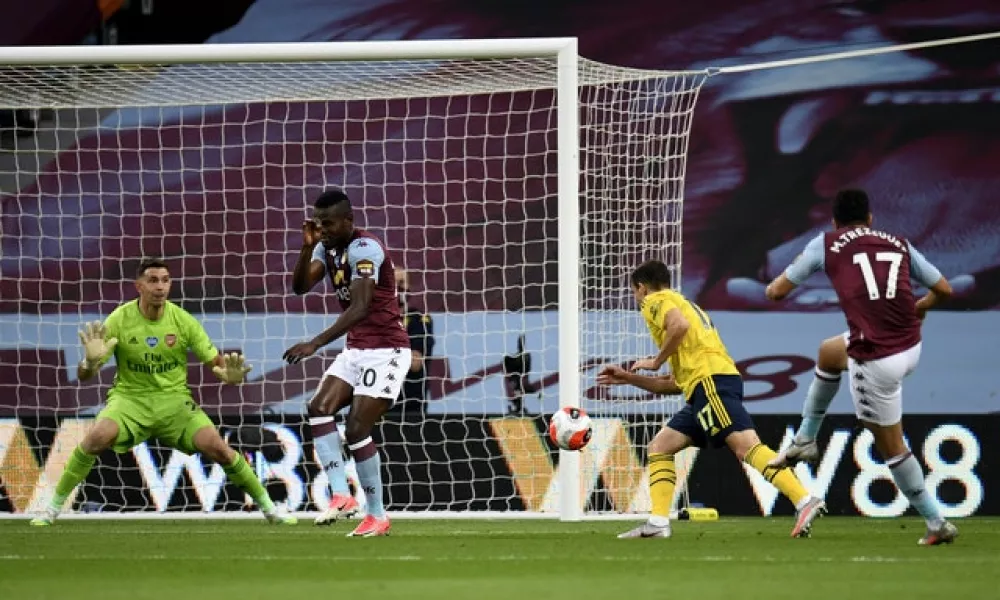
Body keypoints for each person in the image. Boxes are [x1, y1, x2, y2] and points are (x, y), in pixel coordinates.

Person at [30, 258, 294, 526]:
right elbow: (85, 376)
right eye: (153, 280)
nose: (160, 287)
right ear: (139, 286)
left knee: (219, 449)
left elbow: (218, 365)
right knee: (96, 437)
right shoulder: (119, 320)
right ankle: (51, 509)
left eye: (165, 280)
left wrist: (231, 376)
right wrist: (89, 362)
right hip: (130, 400)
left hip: (175, 403)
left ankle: (269, 508)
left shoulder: (182, 321)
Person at [765, 188, 957, 546]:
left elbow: (776, 292)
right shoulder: (897, 242)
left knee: (892, 446)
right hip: (911, 345)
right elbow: (944, 288)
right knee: (830, 352)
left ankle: (936, 521)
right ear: (870, 219)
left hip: (877, 359)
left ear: (834, 221)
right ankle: (806, 439)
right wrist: (922, 306)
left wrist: (774, 286)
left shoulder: (826, 243)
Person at [597, 259, 825, 539]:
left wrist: (656, 360)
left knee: (746, 447)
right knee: (660, 447)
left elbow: (677, 327)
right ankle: (657, 523)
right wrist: (629, 378)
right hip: (706, 386)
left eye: (635, 292)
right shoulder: (687, 305)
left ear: (641, 288)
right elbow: (674, 385)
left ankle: (804, 499)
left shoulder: (655, 301)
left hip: (711, 384)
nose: (636, 298)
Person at [286, 189, 411, 537]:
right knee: (318, 407)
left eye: (328, 223)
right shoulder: (326, 248)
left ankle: (378, 515)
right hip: (356, 350)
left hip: (386, 350)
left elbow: (360, 307)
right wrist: (306, 247)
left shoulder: (364, 248)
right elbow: (299, 287)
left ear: (348, 221)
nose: (322, 229)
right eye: (318, 222)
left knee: (356, 428)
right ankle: (341, 495)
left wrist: (315, 343)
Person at [389, 268, 434, 421]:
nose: (397, 288)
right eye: (392, 283)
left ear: (409, 287)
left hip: (411, 407)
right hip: (377, 403)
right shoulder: (372, 320)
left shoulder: (419, 319)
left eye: (401, 283)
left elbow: (415, 363)